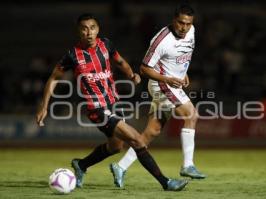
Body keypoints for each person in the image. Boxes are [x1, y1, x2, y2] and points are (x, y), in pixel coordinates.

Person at [36, 13, 188, 191]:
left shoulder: (106, 45)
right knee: (138, 140)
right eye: (84, 29)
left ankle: (81, 165)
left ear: (98, 29)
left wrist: (131, 74)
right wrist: (44, 106)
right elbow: (54, 78)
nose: (89, 32)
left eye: (92, 28)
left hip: (114, 104)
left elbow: (120, 61)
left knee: (116, 147)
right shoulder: (73, 55)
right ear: (79, 31)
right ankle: (166, 182)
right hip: (96, 109)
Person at [110, 4, 206, 188]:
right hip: (160, 83)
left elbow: (182, 56)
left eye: (188, 23)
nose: (184, 27)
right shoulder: (161, 40)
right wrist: (168, 78)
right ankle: (188, 165)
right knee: (191, 114)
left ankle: (120, 166)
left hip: (172, 82)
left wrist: (182, 73)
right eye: (180, 23)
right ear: (173, 20)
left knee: (152, 132)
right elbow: (144, 68)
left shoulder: (191, 31)